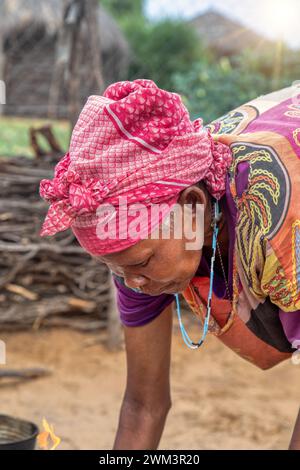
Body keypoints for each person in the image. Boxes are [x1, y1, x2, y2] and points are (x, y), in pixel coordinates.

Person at [39, 79, 300, 450]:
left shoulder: (277, 220)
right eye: (117, 269)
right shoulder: (140, 257)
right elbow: (143, 406)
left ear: (193, 206)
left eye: (142, 263)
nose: (133, 284)